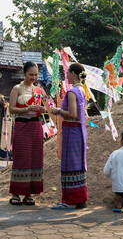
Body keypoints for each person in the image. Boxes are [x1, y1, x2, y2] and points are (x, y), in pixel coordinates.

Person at [51, 63, 88, 209]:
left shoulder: (72, 92)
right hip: (79, 131)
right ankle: (80, 199)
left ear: (73, 73)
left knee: (69, 164)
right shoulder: (82, 90)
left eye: (67, 72)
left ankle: (69, 201)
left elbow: (72, 114)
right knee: (78, 165)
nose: (66, 75)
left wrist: (57, 110)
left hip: (71, 131)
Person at [8, 61, 46, 205]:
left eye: (36, 74)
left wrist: (44, 108)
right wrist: (27, 109)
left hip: (36, 127)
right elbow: (11, 109)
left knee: (34, 158)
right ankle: (16, 193)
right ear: (23, 73)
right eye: (31, 74)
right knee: (21, 158)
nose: (34, 77)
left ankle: (29, 194)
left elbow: (48, 105)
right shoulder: (16, 88)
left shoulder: (39, 90)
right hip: (21, 126)